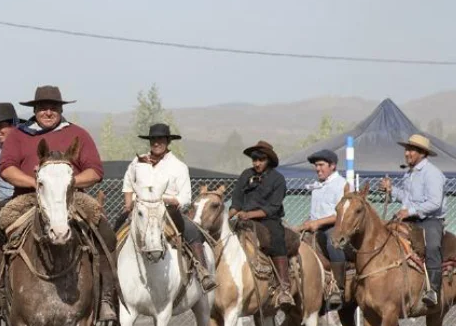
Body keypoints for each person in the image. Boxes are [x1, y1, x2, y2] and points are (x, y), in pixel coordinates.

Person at [0, 85, 117, 320]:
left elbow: (95, 171)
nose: (48, 112)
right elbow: (6, 168)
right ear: (35, 110)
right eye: (43, 108)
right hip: (27, 195)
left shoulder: (78, 134)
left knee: (104, 230)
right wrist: (36, 182)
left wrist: (68, 184)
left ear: (61, 109)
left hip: (71, 197)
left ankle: (105, 297)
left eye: (53, 108)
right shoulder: (19, 135)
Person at [120, 123, 216, 292]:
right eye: (153, 139)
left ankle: (203, 272)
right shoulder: (138, 161)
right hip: (140, 209)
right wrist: (128, 204)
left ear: (168, 142)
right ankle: (110, 271)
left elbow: (185, 197)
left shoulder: (178, 167)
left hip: (168, 211)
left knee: (192, 231)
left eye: (160, 139)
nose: (156, 143)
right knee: (116, 228)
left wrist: (164, 199)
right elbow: (128, 183)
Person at [380, 134, 446, 307]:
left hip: (430, 220)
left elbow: (434, 202)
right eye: (406, 149)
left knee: (432, 246)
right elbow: (407, 197)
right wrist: (392, 189)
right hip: (409, 219)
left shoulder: (433, 173)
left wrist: (409, 211)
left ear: (422, 153)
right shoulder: (409, 173)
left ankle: (433, 290)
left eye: (411, 150)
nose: (407, 153)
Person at [229, 140, 294, 309]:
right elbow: (236, 200)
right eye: (254, 160)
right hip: (243, 218)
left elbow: (273, 207)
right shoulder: (246, 175)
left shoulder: (278, 179)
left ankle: (284, 286)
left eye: (261, 160)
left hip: (267, 219)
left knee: (277, 237)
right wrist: (228, 215)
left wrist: (249, 214)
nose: (256, 163)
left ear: (269, 160)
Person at [294, 149, 347, 310]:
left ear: (332, 166)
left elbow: (340, 214)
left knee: (333, 244)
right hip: (315, 228)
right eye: (316, 166)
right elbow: (314, 215)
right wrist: (303, 225)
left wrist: (318, 223)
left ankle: (338, 288)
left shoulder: (342, 185)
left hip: (334, 228)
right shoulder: (317, 186)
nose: (318, 169)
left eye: (321, 165)